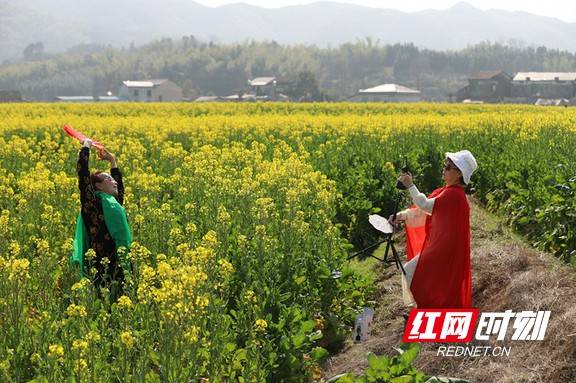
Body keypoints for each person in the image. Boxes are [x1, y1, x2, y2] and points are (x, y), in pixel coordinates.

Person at [390, 150, 477, 308]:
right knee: (417, 276)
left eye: (448, 167)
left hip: (444, 251)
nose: (444, 169)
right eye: (445, 165)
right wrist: (401, 215)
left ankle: (422, 310)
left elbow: (425, 205)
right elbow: (423, 212)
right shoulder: (445, 192)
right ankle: (423, 310)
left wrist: (410, 185)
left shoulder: (454, 195)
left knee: (411, 272)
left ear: (459, 174)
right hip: (440, 248)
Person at [70, 138, 132, 301]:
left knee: (121, 298)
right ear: (97, 186)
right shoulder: (92, 203)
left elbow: (120, 186)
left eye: (112, 179)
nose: (114, 181)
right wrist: (86, 147)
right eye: (108, 179)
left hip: (118, 260)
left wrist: (112, 160)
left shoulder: (114, 204)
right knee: (102, 298)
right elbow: (83, 176)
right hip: (99, 264)